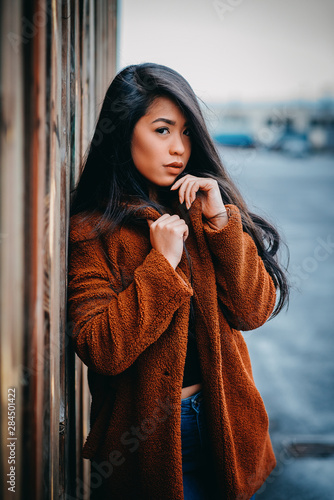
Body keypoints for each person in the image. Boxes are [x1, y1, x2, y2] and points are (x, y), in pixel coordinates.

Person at [67, 63, 289, 500]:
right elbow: (100, 348)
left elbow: (253, 310)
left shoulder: (203, 210)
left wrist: (221, 221)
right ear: (124, 131)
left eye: (187, 132)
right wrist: (161, 267)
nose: (179, 149)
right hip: (149, 442)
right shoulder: (91, 231)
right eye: (163, 130)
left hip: (227, 422)